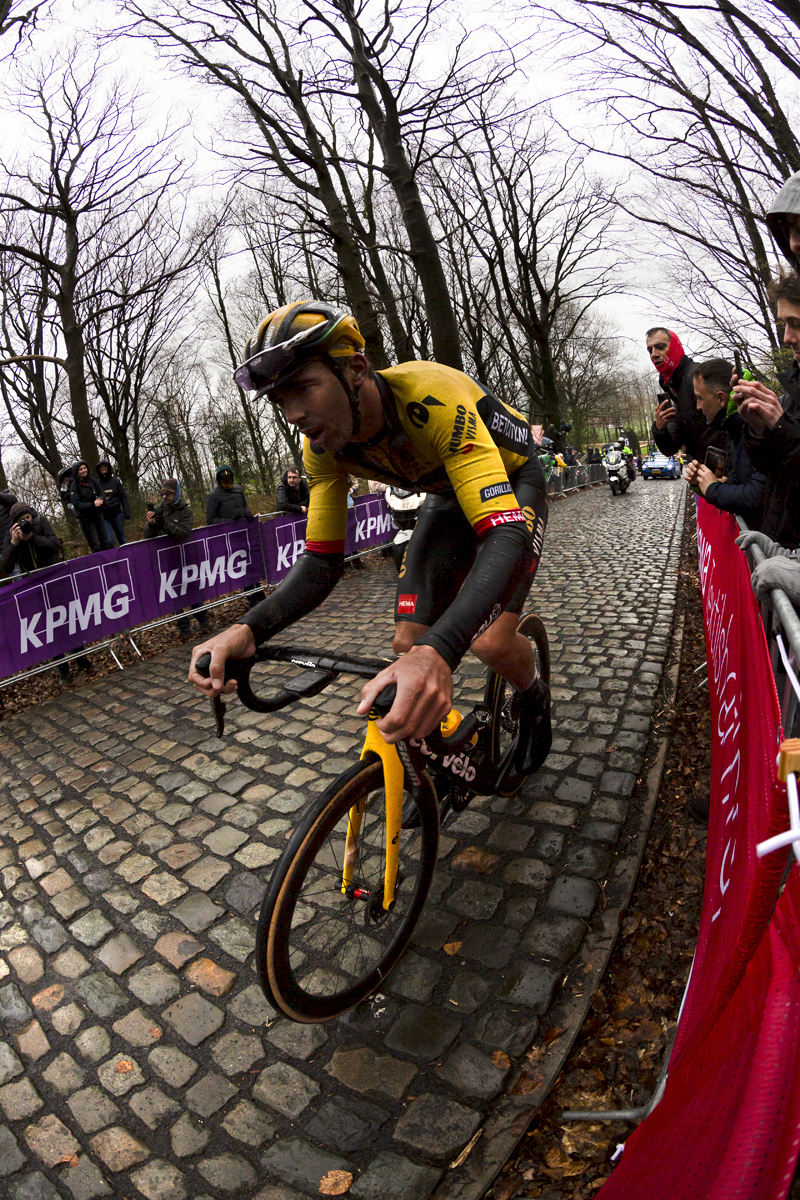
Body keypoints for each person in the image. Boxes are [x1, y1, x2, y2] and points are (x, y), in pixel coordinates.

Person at [189, 300, 551, 773]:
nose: (294, 413)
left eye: (303, 388)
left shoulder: (432, 398)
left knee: (488, 642)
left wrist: (440, 654)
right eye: (280, 400)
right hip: (444, 494)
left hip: (514, 480)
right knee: (407, 641)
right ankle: (430, 770)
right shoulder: (321, 448)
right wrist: (248, 629)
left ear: (355, 368)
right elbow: (321, 563)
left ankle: (534, 697)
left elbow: (506, 537)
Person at [731, 271, 800, 549]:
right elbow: (772, 471)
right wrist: (757, 428)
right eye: (784, 324)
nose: (787, 338)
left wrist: (782, 428)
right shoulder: (790, 393)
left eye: (795, 323)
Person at [683, 359, 766, 529]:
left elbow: (759, 495)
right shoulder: (734, 428)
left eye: (700, 398)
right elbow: (740, 478)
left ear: (721, 399)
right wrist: (702, 482)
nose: (698, 406)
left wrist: (713, 489)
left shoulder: (755, 424)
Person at [648, 327, 725, 462]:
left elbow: (724, 428)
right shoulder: (673, 388)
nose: (654, 354)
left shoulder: (697, 377)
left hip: (722, 474)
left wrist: (717, 469)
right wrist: (660, 429)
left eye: (660, 347)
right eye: (650, 350)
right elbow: (670, 448)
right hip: (703, 473)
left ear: (674, 347)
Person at [145, 479, 210, 639]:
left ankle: (203, 620)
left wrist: (164, 524)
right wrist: (152, 524)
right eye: (163, 493)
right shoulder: (159, 509)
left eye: (168, 493)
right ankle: (183, 627)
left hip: (185, 556)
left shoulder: (185, 510)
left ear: (176, 493)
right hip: (166, 559)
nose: (165, 496)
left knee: (192, 589)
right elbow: (147, 535)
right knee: (175, 595)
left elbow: (183, 532)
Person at [0, 501, 62, 575]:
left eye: (28, 517)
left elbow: (56, 545)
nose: (26, 521)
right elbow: (5, 568)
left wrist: (32, 537)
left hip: (52, 571)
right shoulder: (11, 534)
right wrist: (13, 544)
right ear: (16, 523)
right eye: (22, 520)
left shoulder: (40, 522)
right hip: (30, 578)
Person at [70, 461, 109, 554]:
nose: (83, 471)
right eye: (80, 469)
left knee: (105, 542)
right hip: (86, 519)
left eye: (84, 468)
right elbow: (77, 504)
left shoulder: (93, 481)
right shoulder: (74, 486)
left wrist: (101, 499)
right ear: (77, 471)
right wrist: (93, 505)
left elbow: (102, 493)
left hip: (98, 515)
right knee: (96, 545)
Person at [96, 461, 130, 547]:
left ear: (108, 468)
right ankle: (115, 558)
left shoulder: (116, 481)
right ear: (99, 470)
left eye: (105, 467)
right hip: (104, 516)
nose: (103, 468)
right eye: (101, 467)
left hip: (117, 514)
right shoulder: (96, 483)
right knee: (109, 541)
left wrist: (127, 513)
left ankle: (126, 556)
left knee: (122, 539)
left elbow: (123, 497)